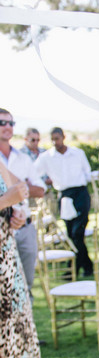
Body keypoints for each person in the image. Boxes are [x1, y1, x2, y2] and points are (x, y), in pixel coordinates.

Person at [0, 158, 47, 358]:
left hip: (5, 259)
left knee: (9, 342)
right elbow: (14, 191)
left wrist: (11, 212)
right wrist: (7, 199)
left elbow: (20, 188)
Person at [35, 128, 94, 278]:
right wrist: (44, 183)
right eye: (53, 139)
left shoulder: (78, 153)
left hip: (80, 193)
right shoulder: (46, 157)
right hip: (65, 196)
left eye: (58, 138)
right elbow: (33, 173)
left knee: (77, 232)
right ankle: (84, 266)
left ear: (63, 137)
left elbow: (87, 173)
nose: (56, 142)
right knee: (70, 234)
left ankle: (72, 269)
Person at [0, 108, 46, 296]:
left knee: (25, 288)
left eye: (11, 123)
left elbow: (40, 189)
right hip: (3, 233)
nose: (7, 127)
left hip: (24, 225)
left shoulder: (23, 158)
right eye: (2, 123)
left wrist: (18, 196)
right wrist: (11, 196)